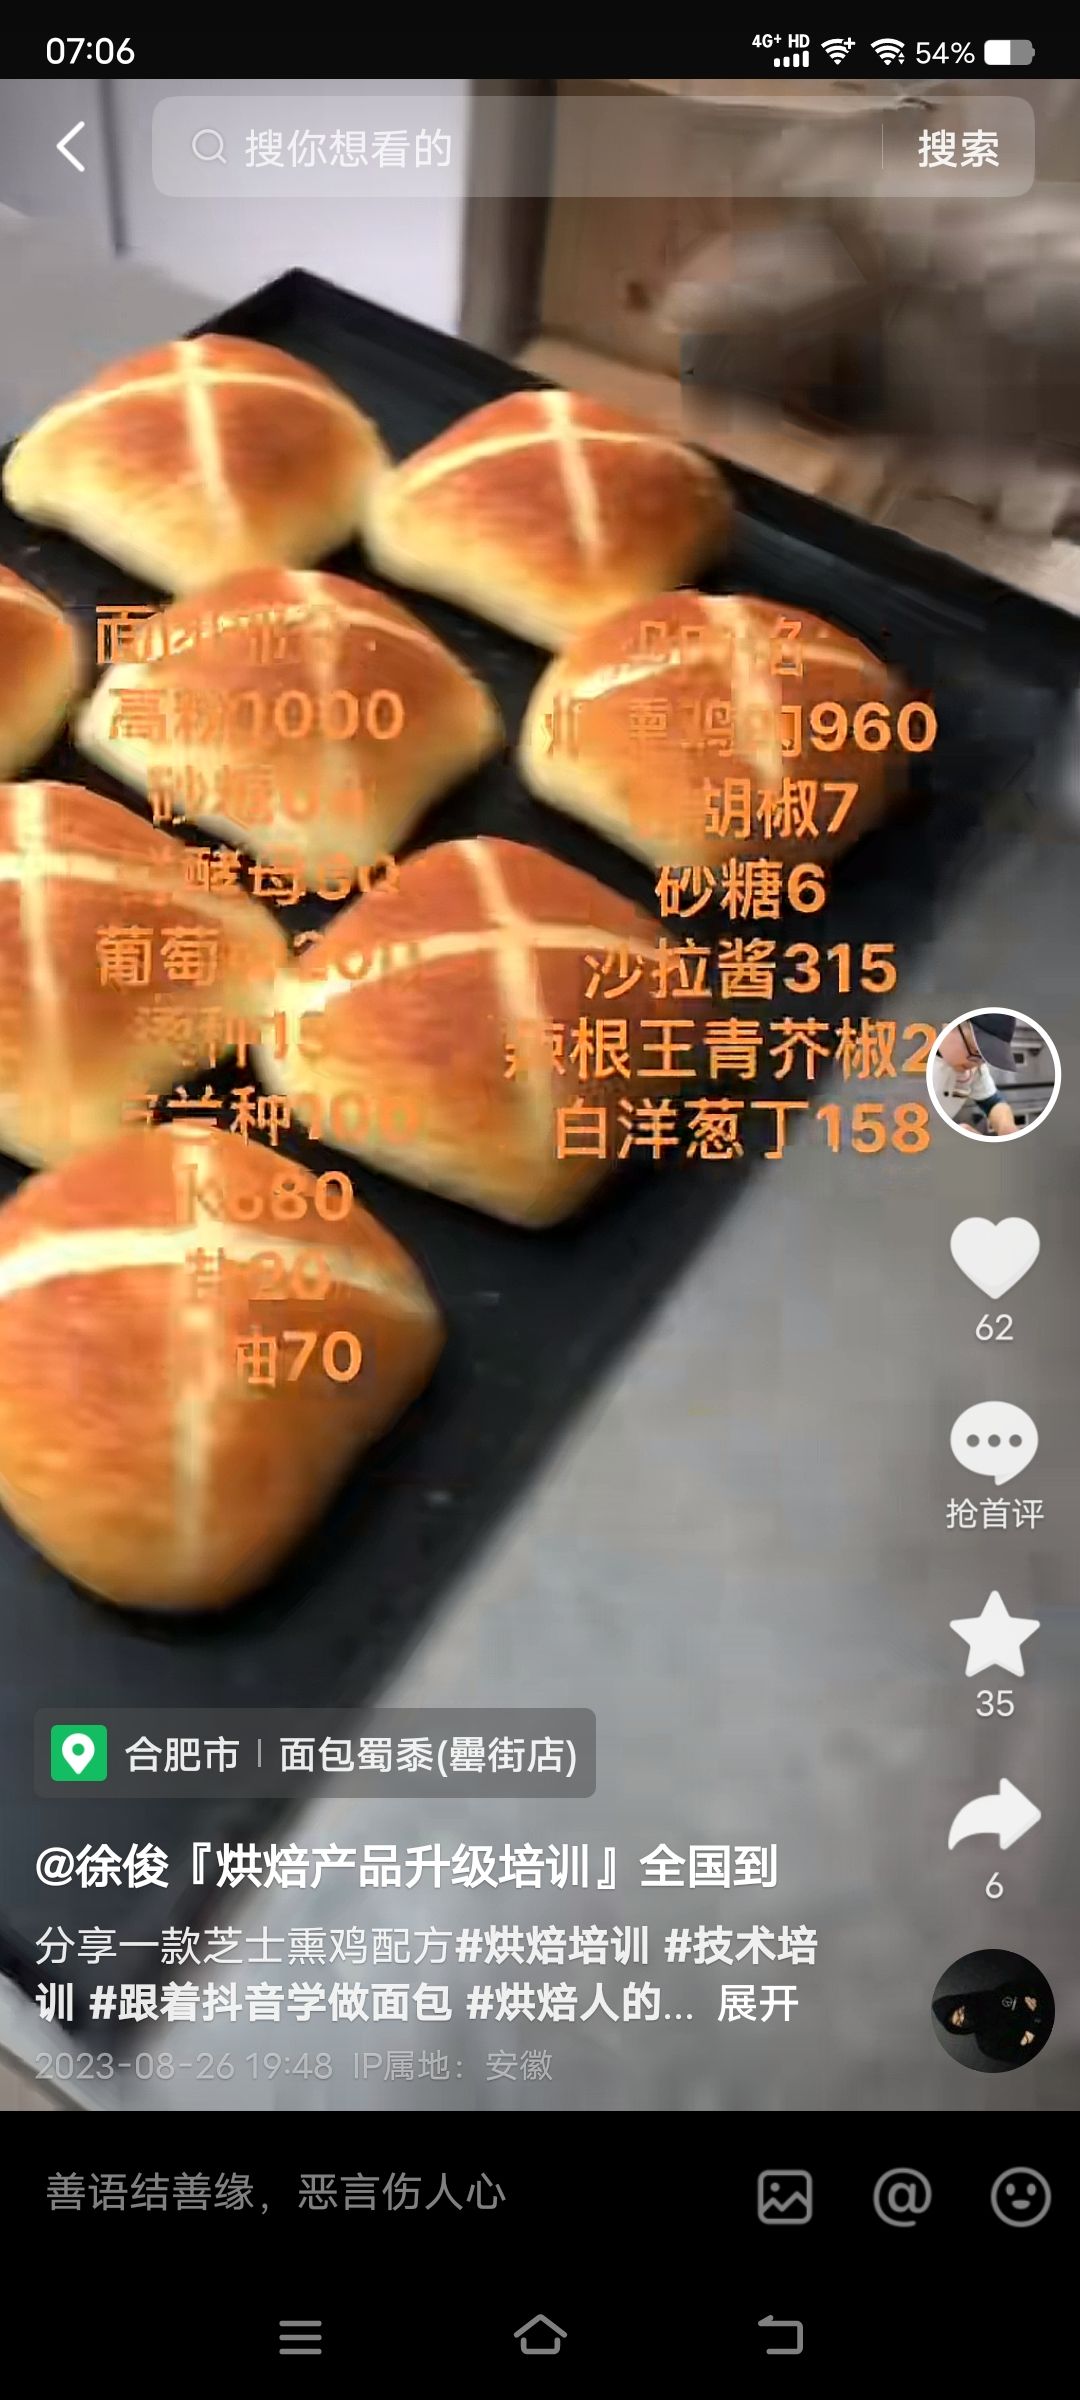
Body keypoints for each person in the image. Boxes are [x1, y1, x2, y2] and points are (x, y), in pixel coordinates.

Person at [930, 1014, 1018, 1136]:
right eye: (976, 1050)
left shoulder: (974, 1066)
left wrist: (1006, 1127)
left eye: (984, 1058)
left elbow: (992, 1102)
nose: (977, 1063)